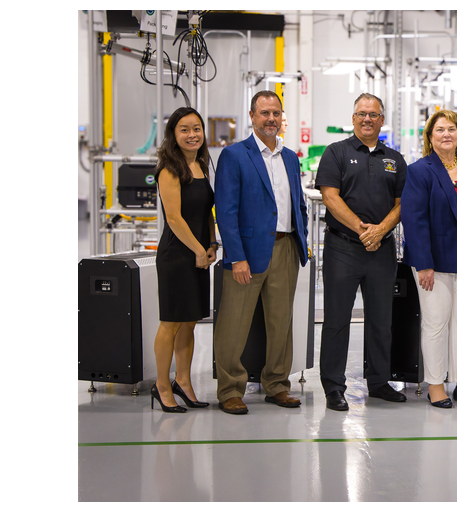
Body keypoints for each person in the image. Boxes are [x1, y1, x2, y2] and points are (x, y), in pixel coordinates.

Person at [213, 90, 309, 415]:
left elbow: (297, 202)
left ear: (282, 118)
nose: (271, 119)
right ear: (252, 116)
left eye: (276, 113)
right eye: (264, 113)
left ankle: (277, 385)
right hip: (248, 253)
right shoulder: (235, 155)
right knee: (234, 323)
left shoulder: (291, 157)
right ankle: (229, 389)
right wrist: (236, 256)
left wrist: (302, 239)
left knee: (281, 323)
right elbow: (225, 211)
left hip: (285, 248)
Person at [316, 93, 409, 411]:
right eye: (361, 114)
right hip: (343, 247)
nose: (367, 119)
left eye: (373, 114)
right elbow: (330, 197)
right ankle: (333, 386)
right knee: (337, 319)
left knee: (382, 319)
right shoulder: (336, 153)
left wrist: (380, 231)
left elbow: (401, 204)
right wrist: (362, 229)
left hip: (381, 250)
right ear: (353, 118)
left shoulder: (395, 159)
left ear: (382, 120)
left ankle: (379, 381)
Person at [401, 109, 457, 409]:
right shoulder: (419, 170)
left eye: (452, 129)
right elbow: (413, 221)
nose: (446, 135)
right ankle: (436, 384)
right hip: (434, 262)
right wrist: (423, 263)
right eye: (439, 130)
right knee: (436, 323)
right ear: (430, 136)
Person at [150, 107, 216, 413]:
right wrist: (198, 250)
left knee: (190, 322)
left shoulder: (202, 165)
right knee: (171, 323)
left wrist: (211, 243)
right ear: (173, 136)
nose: (192, 135)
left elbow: (205, 213)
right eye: (184, 130)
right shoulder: (170, 169)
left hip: (199, 254)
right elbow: (174, 219)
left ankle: (184, 381)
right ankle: (162, 386)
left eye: (197, 129)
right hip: (177, 255)